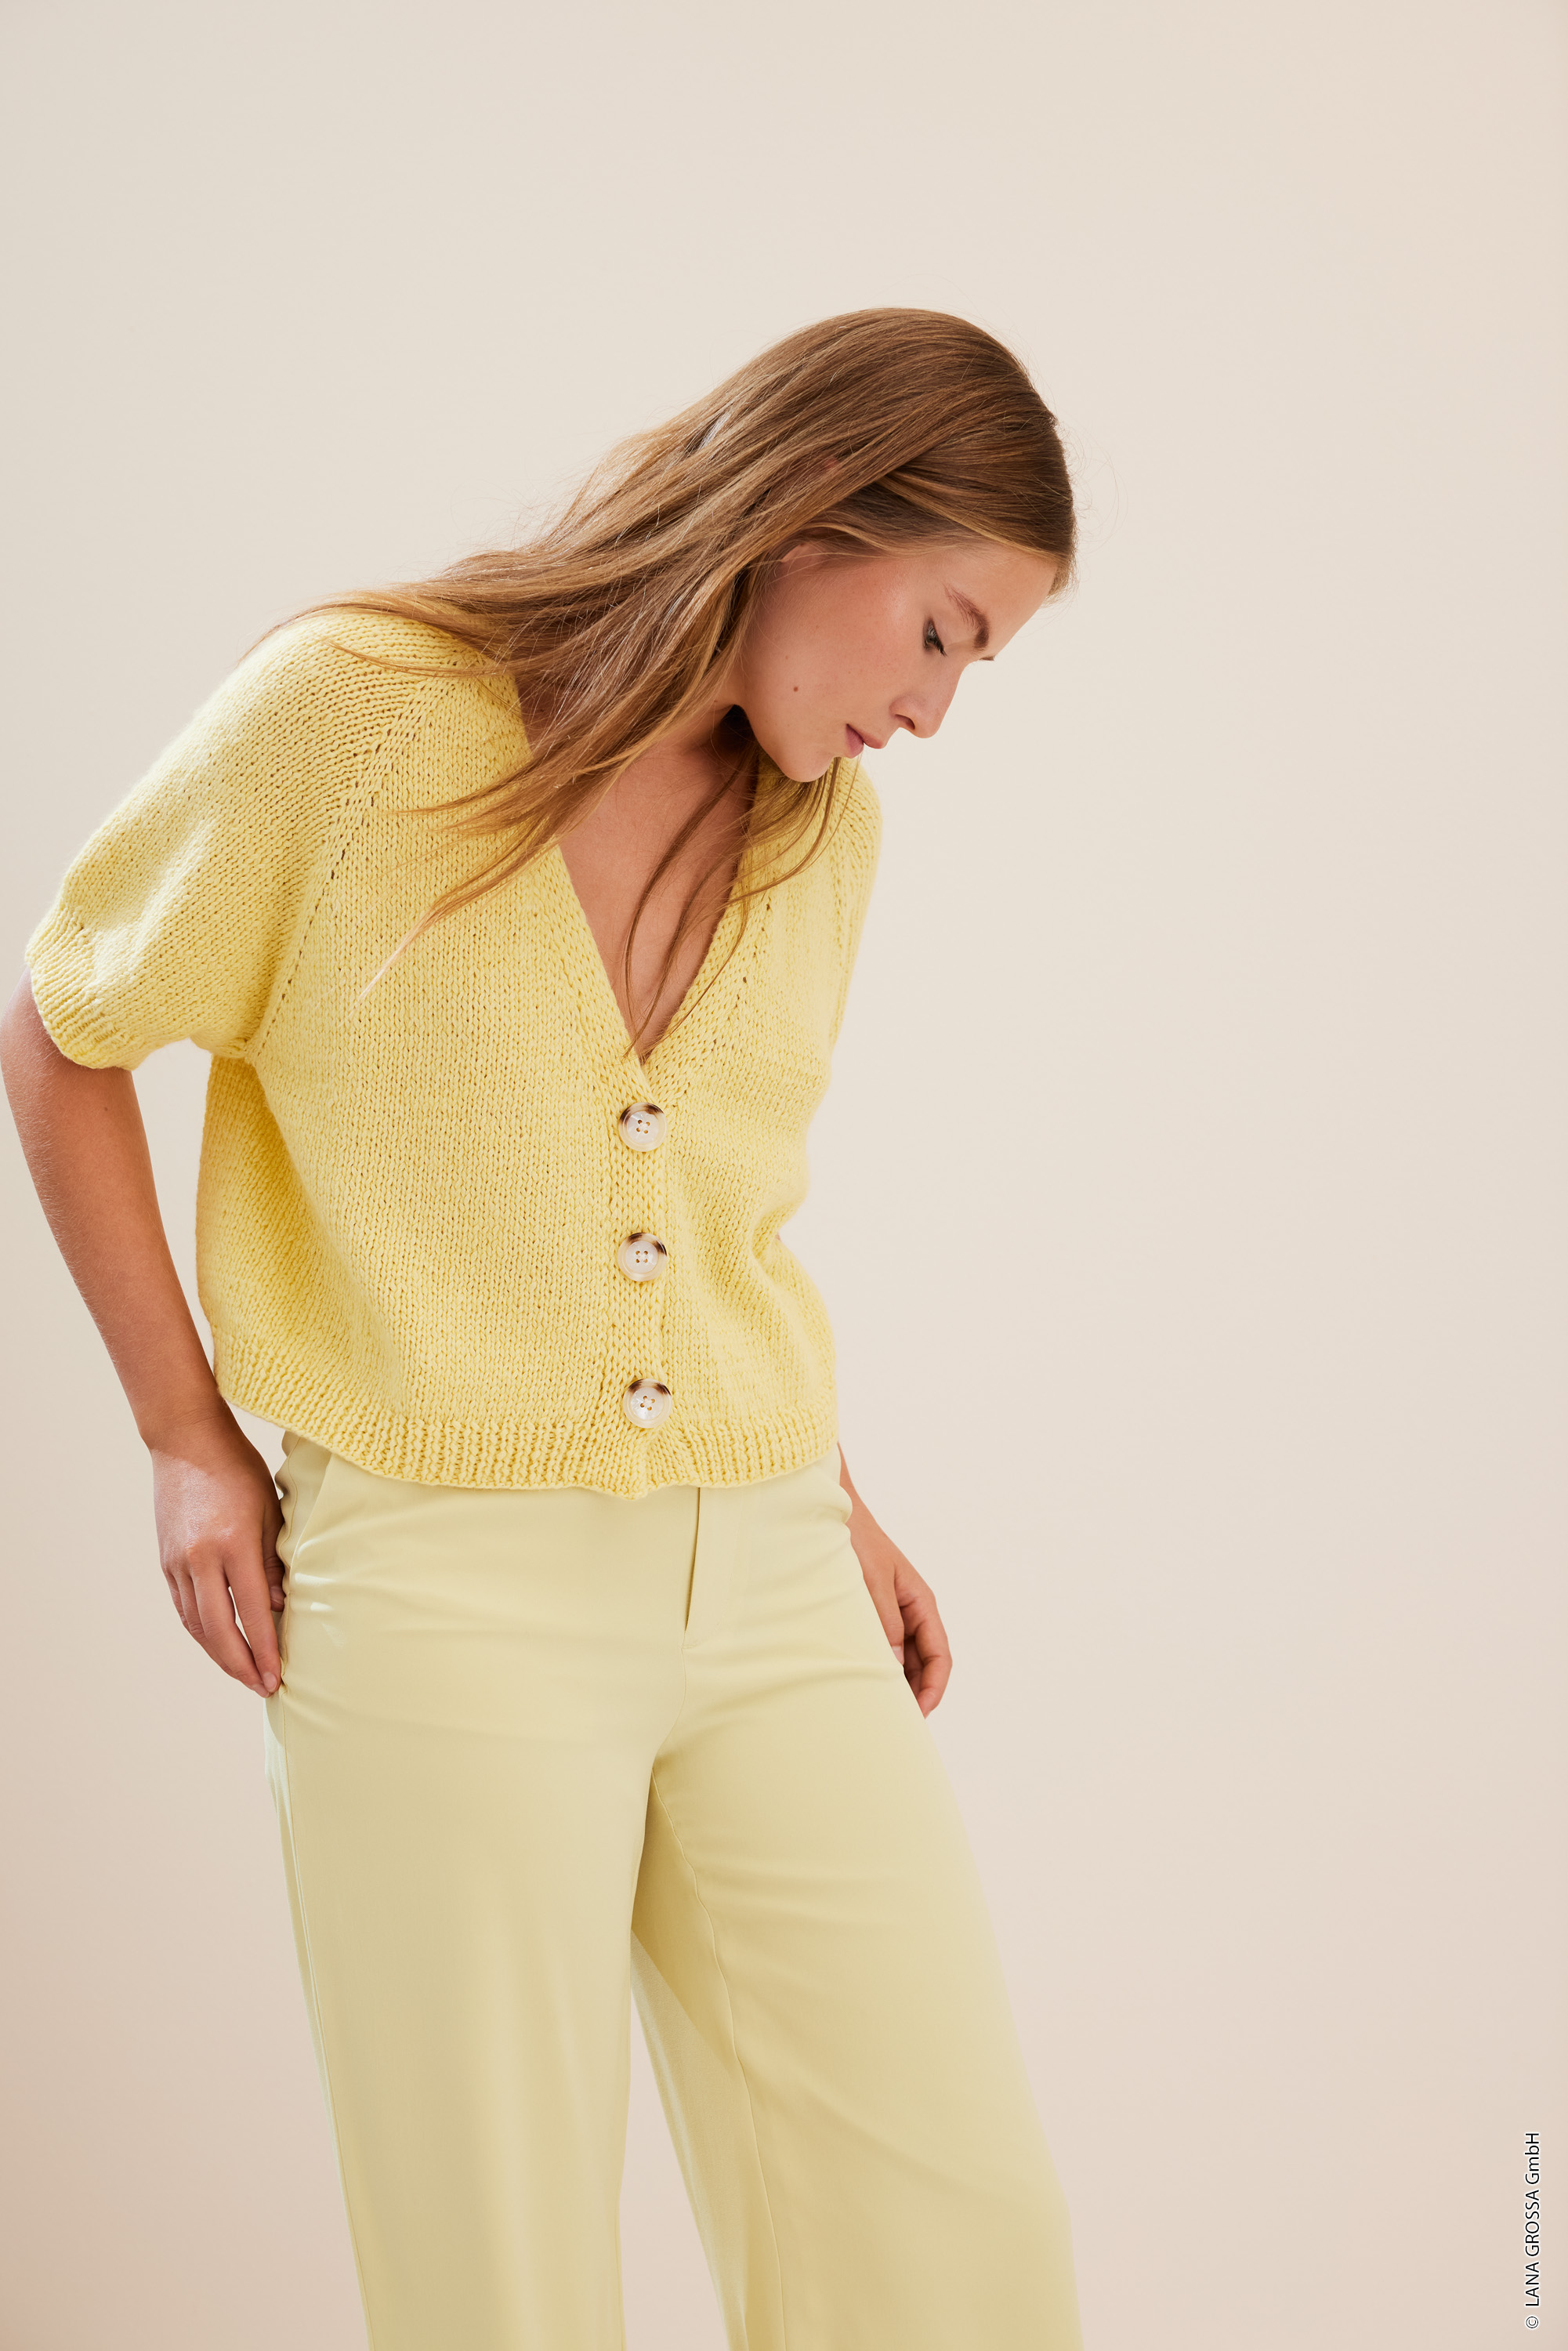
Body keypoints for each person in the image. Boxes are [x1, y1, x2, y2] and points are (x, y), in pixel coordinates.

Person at [2, 307, 1085, 2351]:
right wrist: (181, 1432)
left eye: (977, 669)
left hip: (769, 1566)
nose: (936, 713)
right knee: (494, 2280)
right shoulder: (356, 716)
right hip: (440, 1583)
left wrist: (833, 1497)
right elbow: (67, 1028)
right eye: (941, 632)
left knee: (953, 2239)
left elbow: (713, 1215)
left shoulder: (822, 830)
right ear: (815, 517)